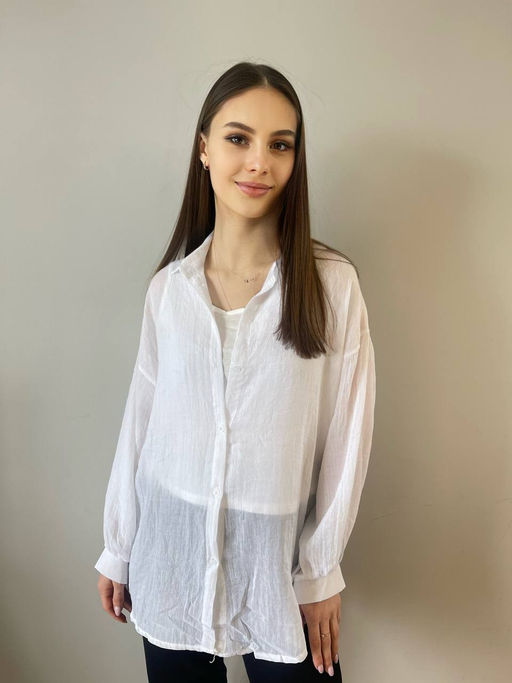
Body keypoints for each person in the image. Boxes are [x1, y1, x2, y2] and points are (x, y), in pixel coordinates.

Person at [95, 61, 376, 682]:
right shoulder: (170, 291)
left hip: (277, 568)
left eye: (280, 145)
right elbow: (142, 423)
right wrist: (119, 546)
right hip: (170, 553)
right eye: (238, 138)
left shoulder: (331, 287)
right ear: (204, 148)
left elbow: (347, 437)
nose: (258, 163)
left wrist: (320, 571)